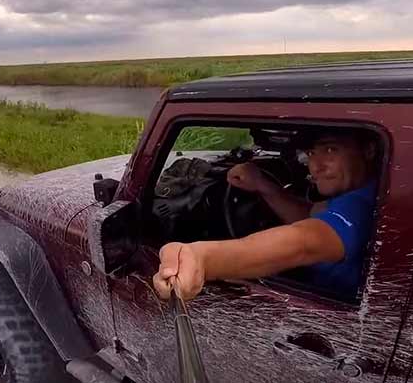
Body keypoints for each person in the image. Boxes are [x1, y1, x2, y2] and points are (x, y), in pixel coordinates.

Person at [153, 129, 378, 301]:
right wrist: (263, 186)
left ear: (369, 150)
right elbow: (310, 216)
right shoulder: (368, 191)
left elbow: (303, 243)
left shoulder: (360, 206)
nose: (314, 167)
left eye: (330, 150)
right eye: (310, 153)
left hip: (328, 312)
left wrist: (201, 258)